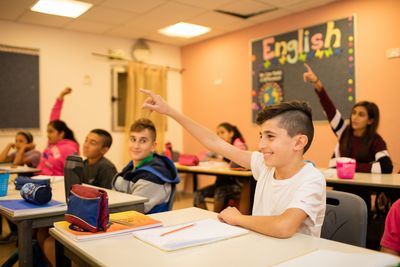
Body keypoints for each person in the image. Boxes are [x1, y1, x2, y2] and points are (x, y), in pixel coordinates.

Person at [141, 89, 326, 238]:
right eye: (261, 136)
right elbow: (215, 142)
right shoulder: (265, 165)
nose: (261, 145)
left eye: (270, 137)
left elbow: (284, 227)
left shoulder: (311, 179)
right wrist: (170, 111)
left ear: (299, 142)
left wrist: (240, 219)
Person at [303, 63, 393, 174]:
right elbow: (329, 108)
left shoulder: (376, 140)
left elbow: (386, 167)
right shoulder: (343, 131)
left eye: (361, 115)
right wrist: (316, 82)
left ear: (370, 120)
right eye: (354, 113)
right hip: (341, 183)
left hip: (362, 187)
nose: (355, 117)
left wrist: (349, 166)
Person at [112, 118, 180, 214]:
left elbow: (131, 212)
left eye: (143, 141)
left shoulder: (152, 177)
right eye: (133, 139)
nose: (136, 146)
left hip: (145, 226)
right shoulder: (132, 167)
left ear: (153, 146)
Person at [194, 122, 247, 212]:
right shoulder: (219, 147)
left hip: (236, 185)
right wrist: (210, 158)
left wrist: (217, 160)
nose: (219, 135)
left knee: (220, 192)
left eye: (222, 132)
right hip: (220, 184)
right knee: (198, 194)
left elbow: (234, 162)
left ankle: (216, 220)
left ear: (231, 133)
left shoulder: (239, 145)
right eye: (218, 133)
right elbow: (202, 156)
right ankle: (207, 219)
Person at [37, 88, 79, 175]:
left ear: (61, 133)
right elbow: (54, 117)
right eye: (47, 132)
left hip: (55, 183)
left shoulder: (70, 149)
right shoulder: (51, 143)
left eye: (51, 132)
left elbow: (72, 174)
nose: (48, 135)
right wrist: (60, 97)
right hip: (39, 179)